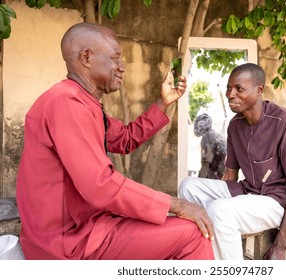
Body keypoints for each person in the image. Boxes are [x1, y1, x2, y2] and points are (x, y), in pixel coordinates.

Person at [16, 22, 214, 260]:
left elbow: (126, 139)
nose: (122, 67)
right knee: (193, 234)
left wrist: (164, 103)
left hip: (90, 228)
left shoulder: (82, 101)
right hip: (69, 242)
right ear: (87, 57)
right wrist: (178, 204)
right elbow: (100, 185)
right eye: (115, 58)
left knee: (177, 228)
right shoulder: (66, 103)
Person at [179, 63, 286, 260]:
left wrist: (281, 246)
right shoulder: (235, 125)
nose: (231, 94)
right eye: (229, 88)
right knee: (188, 186)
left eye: (239, 89)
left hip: (275, 201)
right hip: (246, 190)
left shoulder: (283, 121)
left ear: (259, 90)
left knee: (220, 210)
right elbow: (230, 174)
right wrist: (224, 200)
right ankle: (204, 250)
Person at [193, 113, 227, 179]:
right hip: (221, 175)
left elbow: (206, 163)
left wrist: (199, 181)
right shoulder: (216, 136)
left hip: (216, 175)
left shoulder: (207, 138)